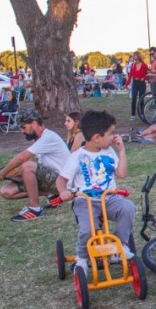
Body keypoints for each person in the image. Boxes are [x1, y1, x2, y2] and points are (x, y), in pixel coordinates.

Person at [55, 110, 134, 273]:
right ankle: (82, 257)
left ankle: (119, 246)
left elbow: (122, 174)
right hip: (85, 200)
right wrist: (63, 192)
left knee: (128, 208)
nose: (114, 136)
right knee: (88, 229)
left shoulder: (110, 152)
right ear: (97, 137)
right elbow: (61, 180)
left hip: (109, 198)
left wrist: (122, 151)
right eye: (110, 133)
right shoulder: (77, 156)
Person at [0, 109, 69, 221]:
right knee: (6, 192)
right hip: (53, 180)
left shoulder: (48, 137)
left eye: (23, 127)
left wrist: (3, 173)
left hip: (63, 182)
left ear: (34, 124)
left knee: (27, 166)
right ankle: (53, 195)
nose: (22, 131)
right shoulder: (40, 139)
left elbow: (22, 157)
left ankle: (35, 210)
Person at [125, 52, 148, 119]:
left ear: (138, 56)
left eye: (135, 55)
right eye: (133, 56)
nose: (134, 57)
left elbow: (147, 74)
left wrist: (143, 78)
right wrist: (126, 84)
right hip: (135, 83)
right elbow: (130, 76)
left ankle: (142, 114)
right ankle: (133, 115)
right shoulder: (133, 65)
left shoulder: (144, 65)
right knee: (133, 98)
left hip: (141, 83)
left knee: (141, 98)